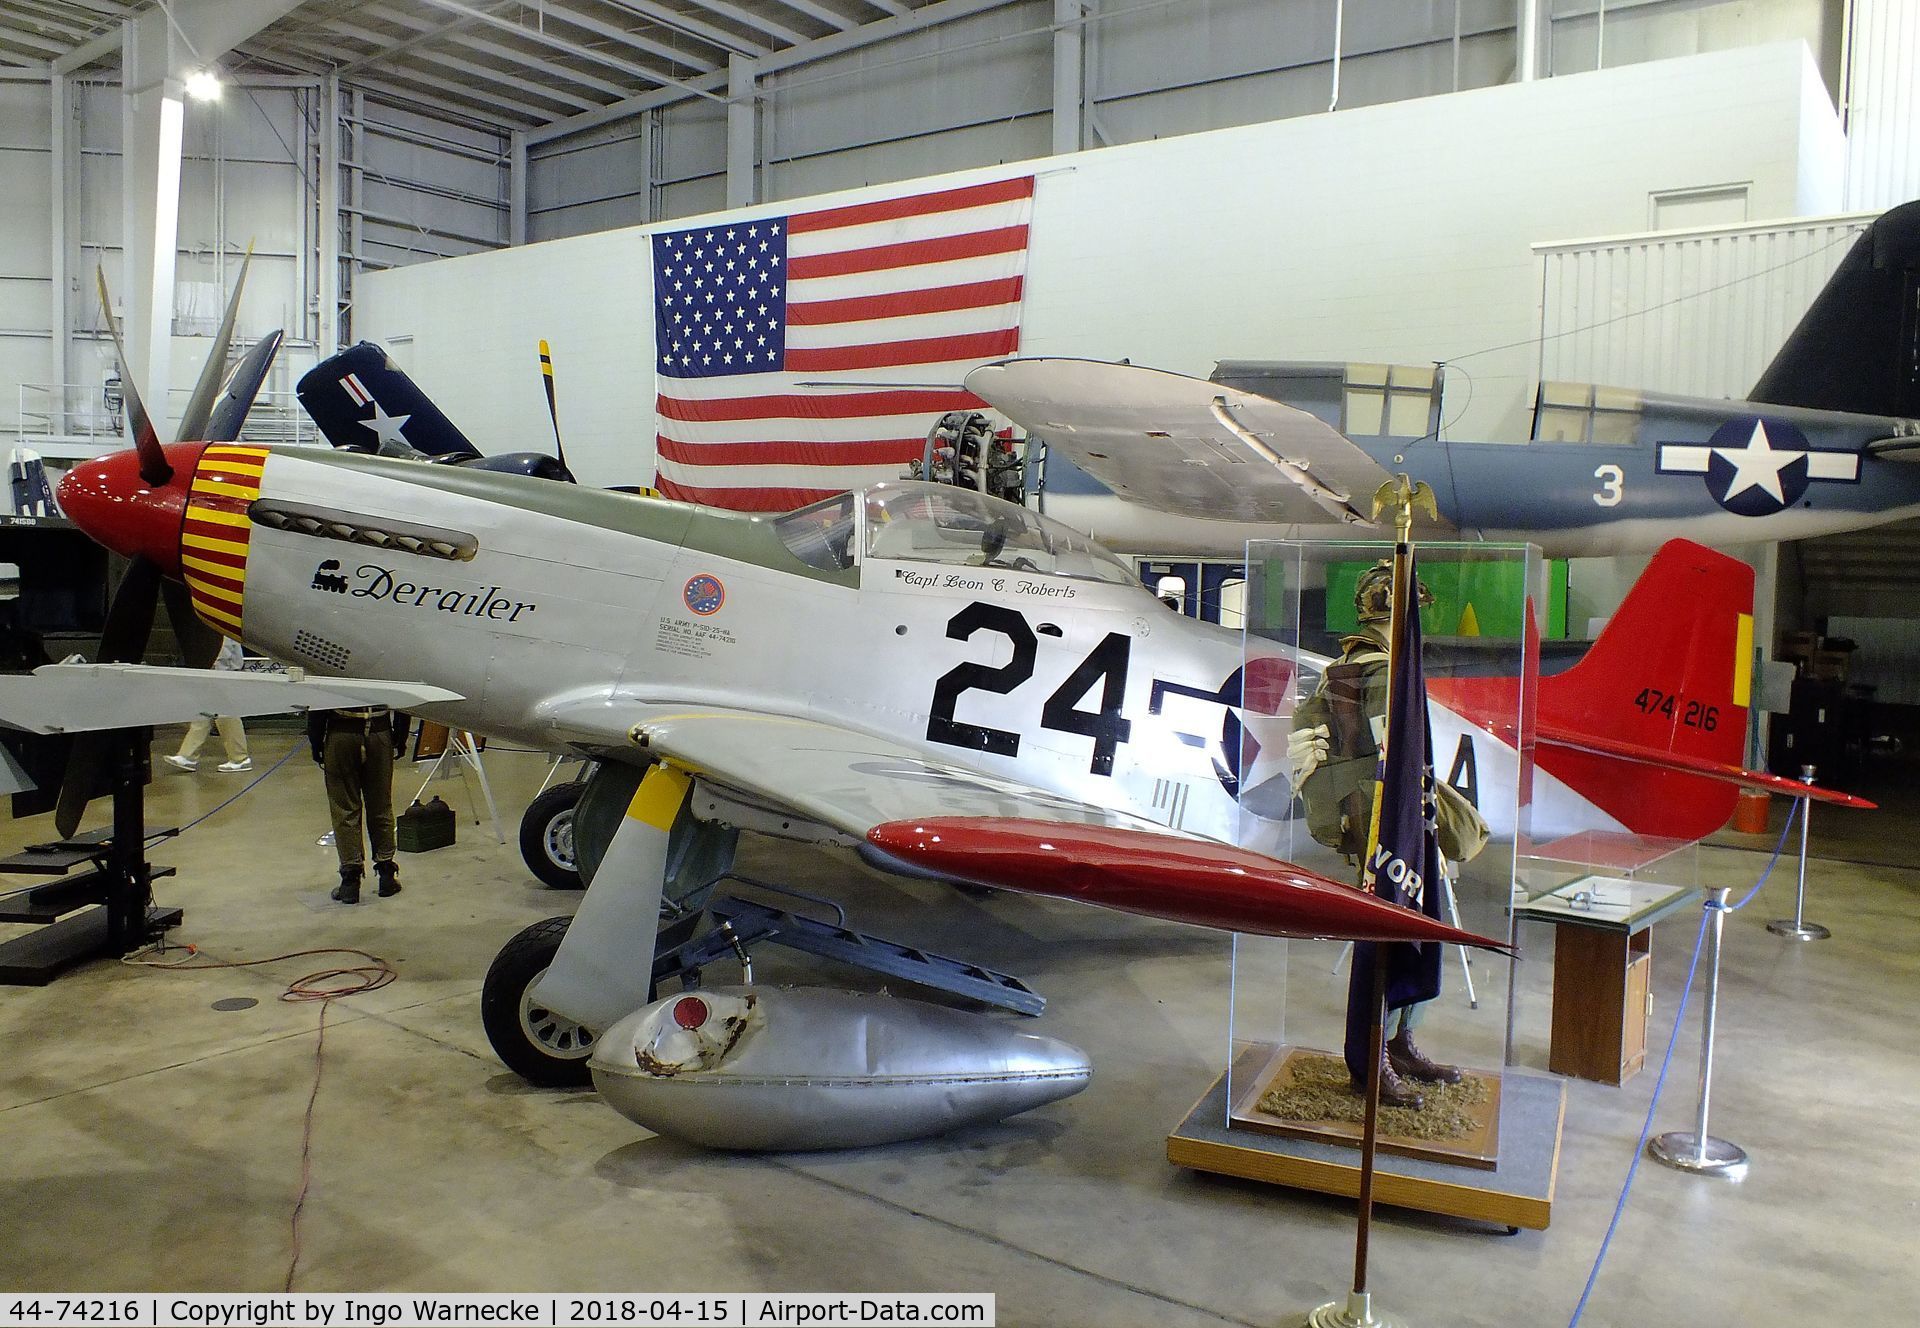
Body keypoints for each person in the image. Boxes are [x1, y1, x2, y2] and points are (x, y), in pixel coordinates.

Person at [1289, 560, 1488, 1108]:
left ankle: (1398, 1044)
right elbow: (1384, 760)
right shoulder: (1378, 676)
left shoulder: (1352, 670)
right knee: (1385, 936)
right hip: (1385, 828)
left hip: (1380, 822)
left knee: (1411, 928)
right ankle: (1371, 1056)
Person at [308, 705, 409, 904]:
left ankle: (350, 882)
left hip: (342, 733)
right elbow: (402, 699)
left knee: (344, 807)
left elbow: (318, 701)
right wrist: (401, 735)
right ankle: (387, 874)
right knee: (381, 804)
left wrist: (316, 741)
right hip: (379, 732)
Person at [163, 637, 252, 772]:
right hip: (215, 668)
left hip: (223, 670)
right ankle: (188, 755)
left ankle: (240, 758)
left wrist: (218, 668)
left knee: (225, 713)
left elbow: (225, 648)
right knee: (204, 711)